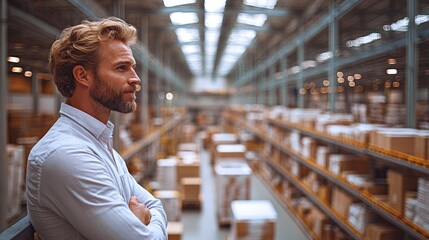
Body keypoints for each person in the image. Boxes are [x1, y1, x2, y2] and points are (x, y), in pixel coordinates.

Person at [26, 17, 167, 239]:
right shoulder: (66, 154)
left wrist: (144, 219)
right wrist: (140, 221)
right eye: (122, 68)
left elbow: (156, 205)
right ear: (83, 76)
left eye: (133, 68)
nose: (136, 79)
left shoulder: (102, 148)